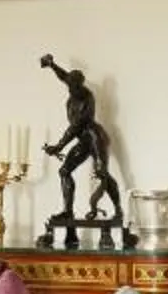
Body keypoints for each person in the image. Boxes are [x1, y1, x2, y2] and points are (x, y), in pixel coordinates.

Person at [38, 54, 125, 245]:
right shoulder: (71, 92)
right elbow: (63, 76)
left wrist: (58, 146)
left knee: (102, 173)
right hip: (82, 140)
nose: (71, 89)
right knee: (64, 171)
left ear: (80, 86)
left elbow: (76, 126)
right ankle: (68, 210)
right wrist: (52, 65)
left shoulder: (87, 97)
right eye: (69, 85)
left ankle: (118, 210)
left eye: (74, 86)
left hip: (94, 137)